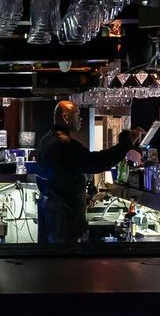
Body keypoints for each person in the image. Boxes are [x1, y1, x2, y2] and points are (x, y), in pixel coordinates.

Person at [32, 99, 141, 243]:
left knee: (52, 261)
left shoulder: (46, 140)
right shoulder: (65, 144)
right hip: (64, 216)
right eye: (77, 114)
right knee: (65, 262)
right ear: (65, 117)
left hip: (49, 211)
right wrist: (127, 143)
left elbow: (59, 177)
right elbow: (97, 163)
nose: (81, 118)